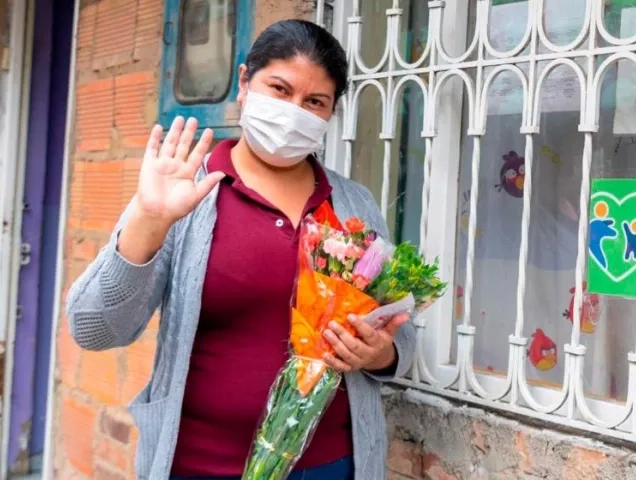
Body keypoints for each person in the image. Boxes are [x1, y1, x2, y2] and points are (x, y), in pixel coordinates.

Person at [66, 19, 415, 480]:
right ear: (245, 82)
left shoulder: (353, 203)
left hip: (334, 464)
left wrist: (381, 355)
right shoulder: (185, 194)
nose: (294, 111)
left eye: (314, 102)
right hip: (202, 464)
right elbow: (93, 328)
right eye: (279, 89)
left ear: (331, 113)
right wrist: (148, 222)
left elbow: (400, 334)